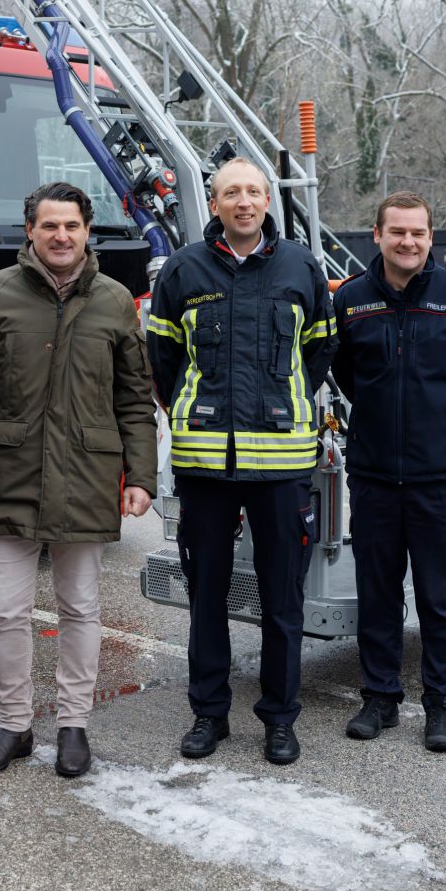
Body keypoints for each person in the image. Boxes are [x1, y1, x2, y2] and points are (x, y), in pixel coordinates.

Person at [0, 181, 157, 779]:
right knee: (7, 611)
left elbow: (135, 399)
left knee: (81, 607)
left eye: (72, 226)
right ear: (29, 231)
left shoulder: (116, 300)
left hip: (86, 474)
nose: (61, 236)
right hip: (6, 473)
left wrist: (141, 473)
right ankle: (13, 726)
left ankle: (73, 726)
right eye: (49, 226)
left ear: (88, 231)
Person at [146, 157, 336, 767]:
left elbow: (318, 353)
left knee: (282, 604)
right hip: (204, 466)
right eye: (232, 192)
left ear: (267, 201)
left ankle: (280, 720)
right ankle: (209, 714)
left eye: (254, 191)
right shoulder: (183, 269)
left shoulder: (302, 267)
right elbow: (163, 359)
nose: (244, 201)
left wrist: (286, 405)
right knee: (207, 597)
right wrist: (192, 410)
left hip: (282, 468)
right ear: (215, 201)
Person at [331, 191, 446, 752]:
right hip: (376, 475)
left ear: (432, 238)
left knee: (439, 598)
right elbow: (346, 376)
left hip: (441, 477)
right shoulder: (352, 300)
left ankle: (440, 706)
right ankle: (379, 699)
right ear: (376, 235)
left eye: (419, 233)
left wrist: (445, 423)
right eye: (397, 232)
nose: (408, 242)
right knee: (376, 593)